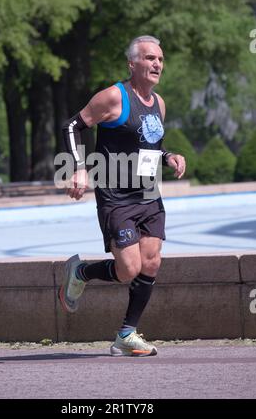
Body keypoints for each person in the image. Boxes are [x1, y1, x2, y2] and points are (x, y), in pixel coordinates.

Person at [60, 35, 186, 356]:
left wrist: (168, 155)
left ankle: (126, 335)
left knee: (152, 262)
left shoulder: (159, 104)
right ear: (133, 64)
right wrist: (78, 167)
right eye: (149, 58)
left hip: (148, 194)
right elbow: (73, 126)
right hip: (116, 195)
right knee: (128, 269)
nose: (157, 63)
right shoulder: (114, 97)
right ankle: (81, 272)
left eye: (160, 58)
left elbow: (147, 145)